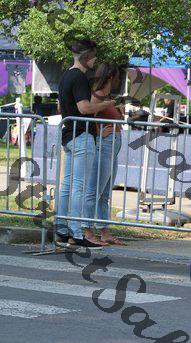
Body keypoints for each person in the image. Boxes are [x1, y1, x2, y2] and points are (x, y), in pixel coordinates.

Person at [55, 39, 115, 249]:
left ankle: (62, 229)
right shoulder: (79, 77)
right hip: (82, 135)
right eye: (94, 55)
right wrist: (107, 104)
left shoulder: (66, 75)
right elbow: (84, 108)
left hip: (69, 134)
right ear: (87, 55)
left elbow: (63, 106)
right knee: (78, 186)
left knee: (67, 185)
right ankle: (76, 231)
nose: (95, 60)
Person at [82, 64, 126, 246]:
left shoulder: (106, 97)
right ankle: (87, 229)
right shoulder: (97, 96)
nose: (119, 81)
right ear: (110, 77)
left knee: (104, 193)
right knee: (95, 191)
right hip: (104, 146)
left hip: (112, 146)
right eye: (117, 77)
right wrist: (99, 134)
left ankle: (104, 230)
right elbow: (86, 116)